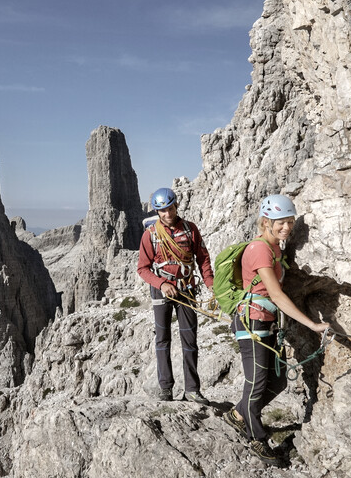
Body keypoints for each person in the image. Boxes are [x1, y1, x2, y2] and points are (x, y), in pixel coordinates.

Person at [222, 194, 331, 466]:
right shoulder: (260, 249)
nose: (287, 227)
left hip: (267, 322)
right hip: (252, 323)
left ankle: (238, 415)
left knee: (278, 381)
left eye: (290, 222)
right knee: (257, 384)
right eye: (281, 222)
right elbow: (277, 295)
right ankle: (257, 438)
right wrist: (311, 324)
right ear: (266, 222)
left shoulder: (275, 250)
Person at [137, 188, 214, 404]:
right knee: (163, 339)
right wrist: (161, 284)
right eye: (162, 210)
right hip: (162, 290)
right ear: (157, 211)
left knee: (190, 339)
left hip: (186, 288)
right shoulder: (150, 234)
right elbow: (143, 268)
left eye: (170, 209)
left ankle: (192, 390)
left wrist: (210, 283)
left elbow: (203, 258)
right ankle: (165, 389)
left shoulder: (190, 230)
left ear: (176, 206)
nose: (167, 214)